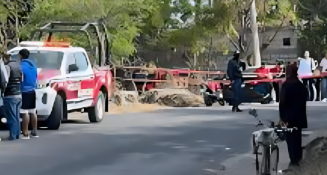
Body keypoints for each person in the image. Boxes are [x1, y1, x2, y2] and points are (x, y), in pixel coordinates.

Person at [279, 64, 308, 166]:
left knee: (290, 139)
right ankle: (298, 157)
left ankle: (293, 159)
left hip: (289, 118)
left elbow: (282, 102)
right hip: (298, 117)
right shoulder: (300, 85)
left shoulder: (287, 85)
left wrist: (282, 117)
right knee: (297, 138)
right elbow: (305, 97)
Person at [19, 49, 38, 139]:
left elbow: (21, 80)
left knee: (25, 112)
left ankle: (25, 133)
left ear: (21, 56)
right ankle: (34, 131)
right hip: (32, 91)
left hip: (24, 91)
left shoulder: (22, 66)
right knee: (33, 111)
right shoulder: (33, 66)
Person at [3, 54, 22, 140]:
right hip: (18, 94)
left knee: (11, 117)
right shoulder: (18, 66)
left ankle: (13, 135)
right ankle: (17, 134)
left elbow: (5, 81)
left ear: (4, 59)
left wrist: (3, 90)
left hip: (10, 94)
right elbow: (22, 79)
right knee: (17, 116)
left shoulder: (7, 67)